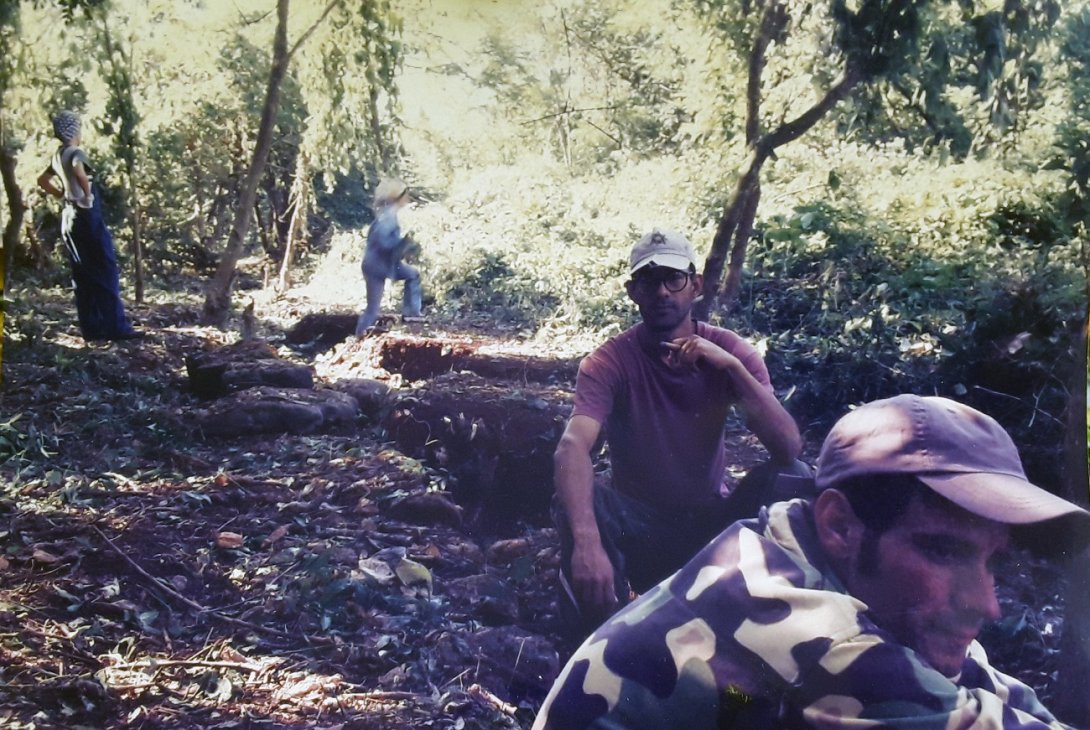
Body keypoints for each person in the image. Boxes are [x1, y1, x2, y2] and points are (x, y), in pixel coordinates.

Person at [535, 394, 1090, 729]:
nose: (987, 602)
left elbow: (994, 690)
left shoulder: (788, 539)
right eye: (943, 551)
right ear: (840, 525)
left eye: (993, 561)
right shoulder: (819, 640)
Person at [552, 227, 809, 638]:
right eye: (649, 281)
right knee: (585, 497)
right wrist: (587, 543)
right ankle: (599, 646)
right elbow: (572, 446)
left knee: (791, 476)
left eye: (674, 279)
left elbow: (788, 447)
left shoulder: (730, 352)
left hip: (712, 529)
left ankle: (780, 633)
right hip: (642, 531)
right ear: (633, 291)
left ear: (695, 285)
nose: (663, 293)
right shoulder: (609, 362)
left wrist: (729, 369)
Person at [37, 110, 141, 342]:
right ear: (74, 130)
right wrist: (85, 192)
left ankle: (92, 330)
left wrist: (61, 194)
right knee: (105, 268)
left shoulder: (57, 154)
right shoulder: (75, 153)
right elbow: (78, 170)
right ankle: (116, 328)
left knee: (82, 274)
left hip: (69, 218)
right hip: (86, 217)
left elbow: (42, 180)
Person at [355, 178, 423, 336]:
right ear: (399, 197)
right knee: (413, 275)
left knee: (372, 308)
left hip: (372, 264)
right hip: (380, 264)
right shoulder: (389, 216)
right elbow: (384, 242)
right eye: (406, 195)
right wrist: (404, 243)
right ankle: (411, 313)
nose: (408, 198)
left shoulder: (384, 213)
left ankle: (359, 336)